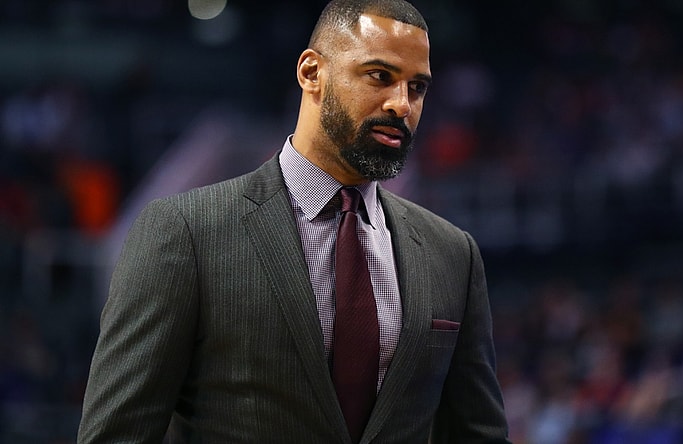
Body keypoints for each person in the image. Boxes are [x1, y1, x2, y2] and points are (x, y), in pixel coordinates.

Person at [77, 0, 510, 442]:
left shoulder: (453, 253)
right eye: (380, 76)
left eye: (416, 87)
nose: (402, 104)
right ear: (311, 73)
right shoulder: (184, 232)